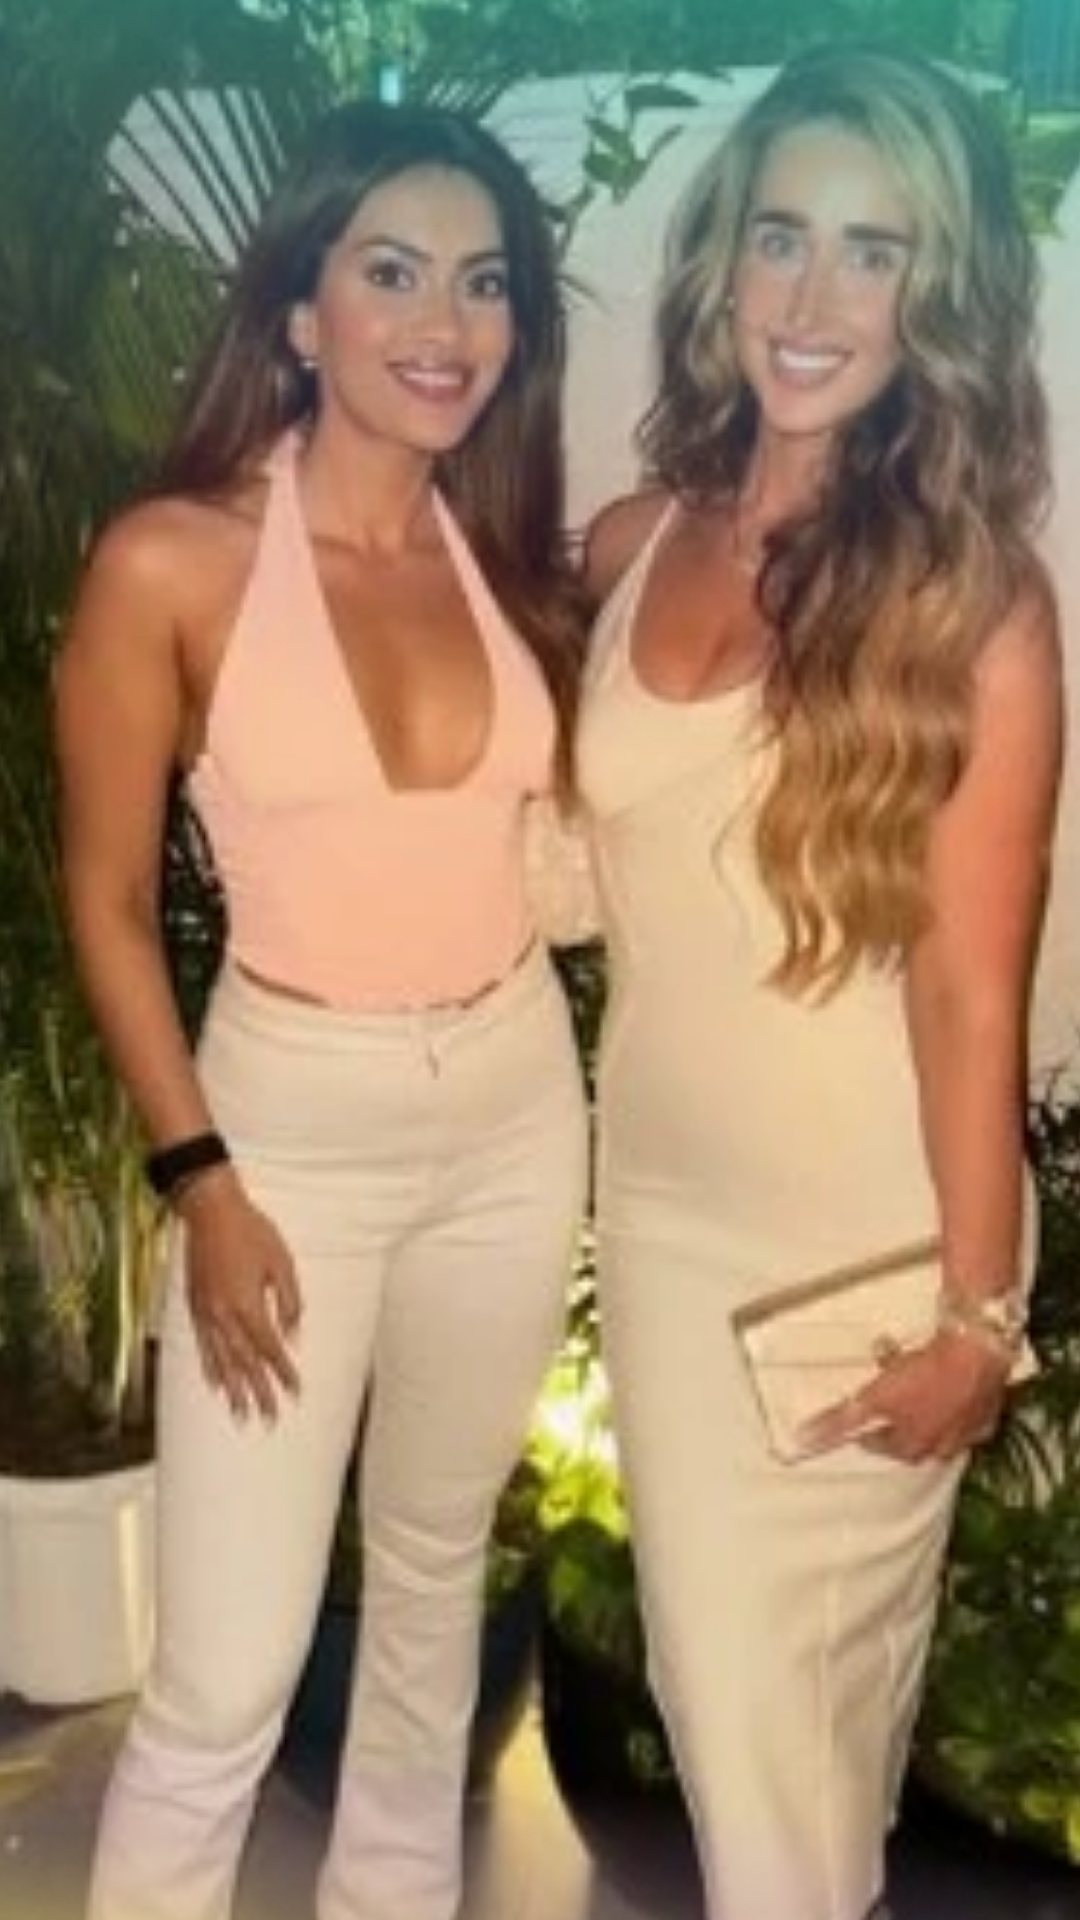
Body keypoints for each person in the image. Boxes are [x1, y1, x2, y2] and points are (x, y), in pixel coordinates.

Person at [55, 99, 588, 1920]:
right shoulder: (171, 562)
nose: (447, 323)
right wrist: (199, 1177)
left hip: (513, 1105)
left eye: (484, 283)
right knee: (223, 1677)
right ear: (301, 311)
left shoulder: (506, 551)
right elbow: (108, 904)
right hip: (285, 1131)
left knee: (434, 1581)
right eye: (394, 273)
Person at [577, 45, 1064, 1920]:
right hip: (660, 1222)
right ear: (725, 261)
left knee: (776, 1747)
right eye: (783, 235)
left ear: (938, 295)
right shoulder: (635, 544)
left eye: (875, 251)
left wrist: (978, 1317)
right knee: (748, 1734)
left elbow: (970, 996)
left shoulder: (977, 609)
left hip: (861, 1254)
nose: (812, 294)